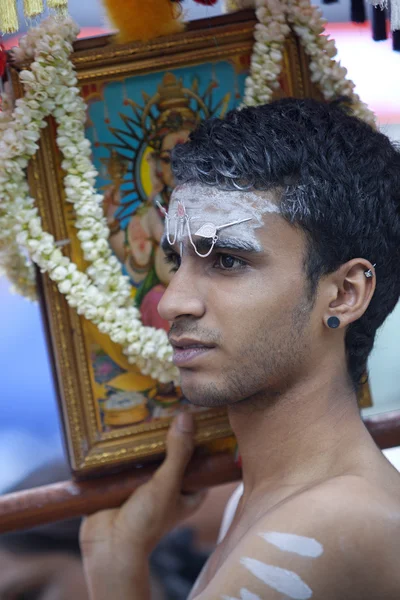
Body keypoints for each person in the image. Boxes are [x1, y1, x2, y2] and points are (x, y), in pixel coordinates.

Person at [79, 98, 400, 599]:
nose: (173, 303)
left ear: (344, 293)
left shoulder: (333, 518)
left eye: (227, 261)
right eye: (175, 259)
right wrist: (116, 554)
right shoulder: (260, 502)